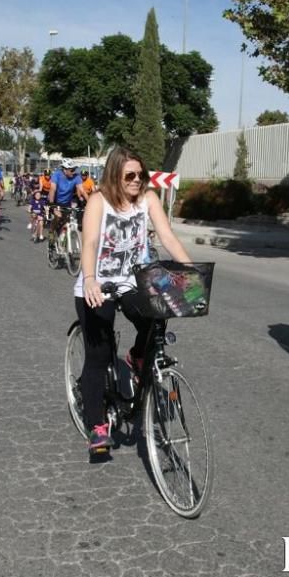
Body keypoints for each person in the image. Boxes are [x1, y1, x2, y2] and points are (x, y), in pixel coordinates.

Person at [75, 146, 193, 455]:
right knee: (98, 355)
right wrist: (89, 279)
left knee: (159, 311)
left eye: (141, 175)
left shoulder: (148, 199)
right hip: (97, 285)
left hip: (131, 282)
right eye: (130, 175)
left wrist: (190, 269)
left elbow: (167, 236)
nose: (137, 180)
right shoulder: (99, 201)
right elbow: (89, 242)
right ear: (115, 174)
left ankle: (139, 356)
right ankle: (98, 426)